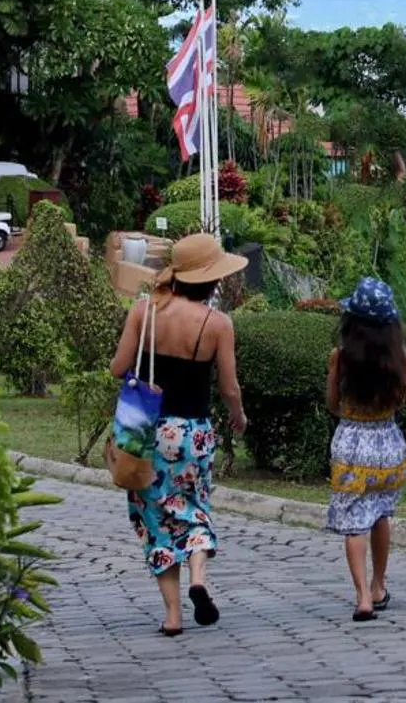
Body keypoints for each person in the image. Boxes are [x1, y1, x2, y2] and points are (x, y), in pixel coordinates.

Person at [109, 232, 250, 638]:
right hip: (192, 433)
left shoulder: (143, 310)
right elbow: (229, 388)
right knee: (193, 506)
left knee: (154, 516)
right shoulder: (218, 323)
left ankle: (172, 616)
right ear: (212, 280)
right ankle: (199, 578)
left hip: (146, 432)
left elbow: (119, 368)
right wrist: (238, 417)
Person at [324, 277, 406, 622]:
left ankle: (361, 598)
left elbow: (333, 405)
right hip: (387, 442)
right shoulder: (399, 356)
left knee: (356, 522)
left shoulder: (340, 357)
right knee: (381, 513)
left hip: (352, 443)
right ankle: (379, 585)